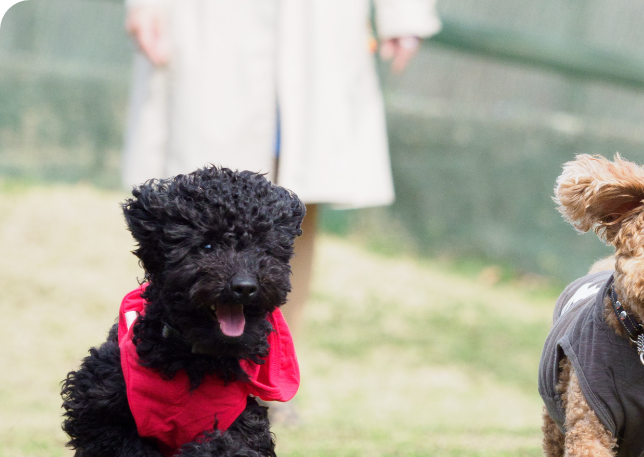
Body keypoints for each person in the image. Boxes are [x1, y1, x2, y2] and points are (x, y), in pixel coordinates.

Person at [121, 0, 441, 342]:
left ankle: (273, 370)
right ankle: (161, 361)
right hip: (211, 24)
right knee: (194, 204)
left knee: (299, 195)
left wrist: (406, 11)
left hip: (318, 25)